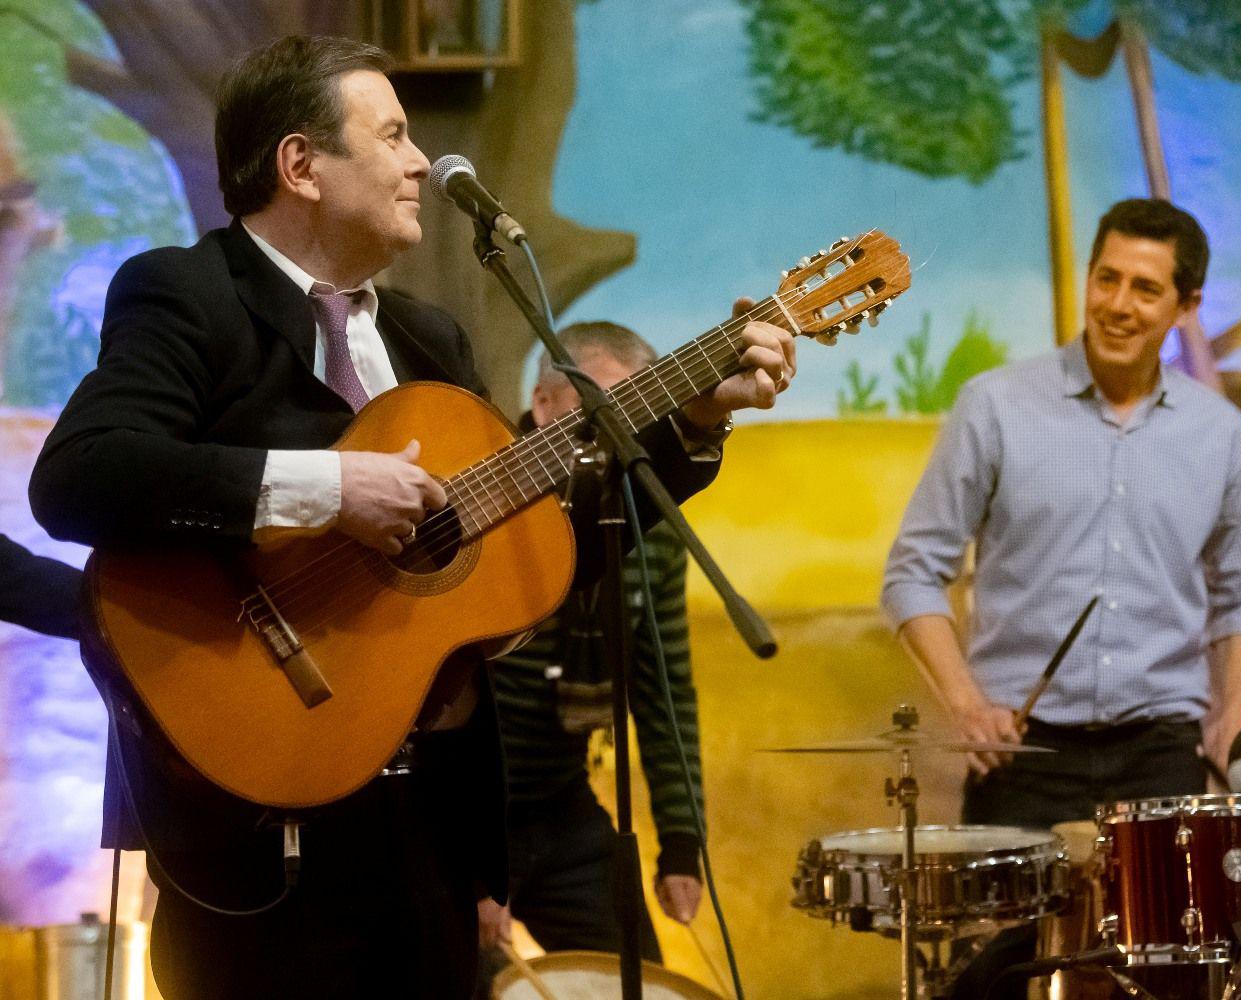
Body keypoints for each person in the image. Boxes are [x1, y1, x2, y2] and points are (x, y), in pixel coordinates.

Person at [28, 35, 796, 1000]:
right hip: (261, 826)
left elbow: (533, 551)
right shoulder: (189, 294)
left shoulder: (430, 340)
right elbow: (81, 476)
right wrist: (330, 489)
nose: (422, 162)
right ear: (301, 165)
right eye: (391, 135)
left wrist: (693, 422)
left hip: (429, 830)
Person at [880, 198, 1241, 995]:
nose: (1118, 305)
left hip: (1161, 755)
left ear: (1186, 306)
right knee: (992, 980)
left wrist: (1234, 712)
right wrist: (967, 704)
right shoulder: (994, 406)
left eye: (1145, 288)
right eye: (1107, 279)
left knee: (1167, 984)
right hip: (1023, 755)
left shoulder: (1220, 433)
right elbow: (912, 573)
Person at [474, 322, 705, 988]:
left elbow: (664, 689)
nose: (627, 429)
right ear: (543, 404)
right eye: (607, 407)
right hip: (465, 810)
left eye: (641, 411)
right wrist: (476, 867)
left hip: (561, 804)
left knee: (641, 981)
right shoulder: (485, 495)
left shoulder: (647, 518)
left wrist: (681, 844)